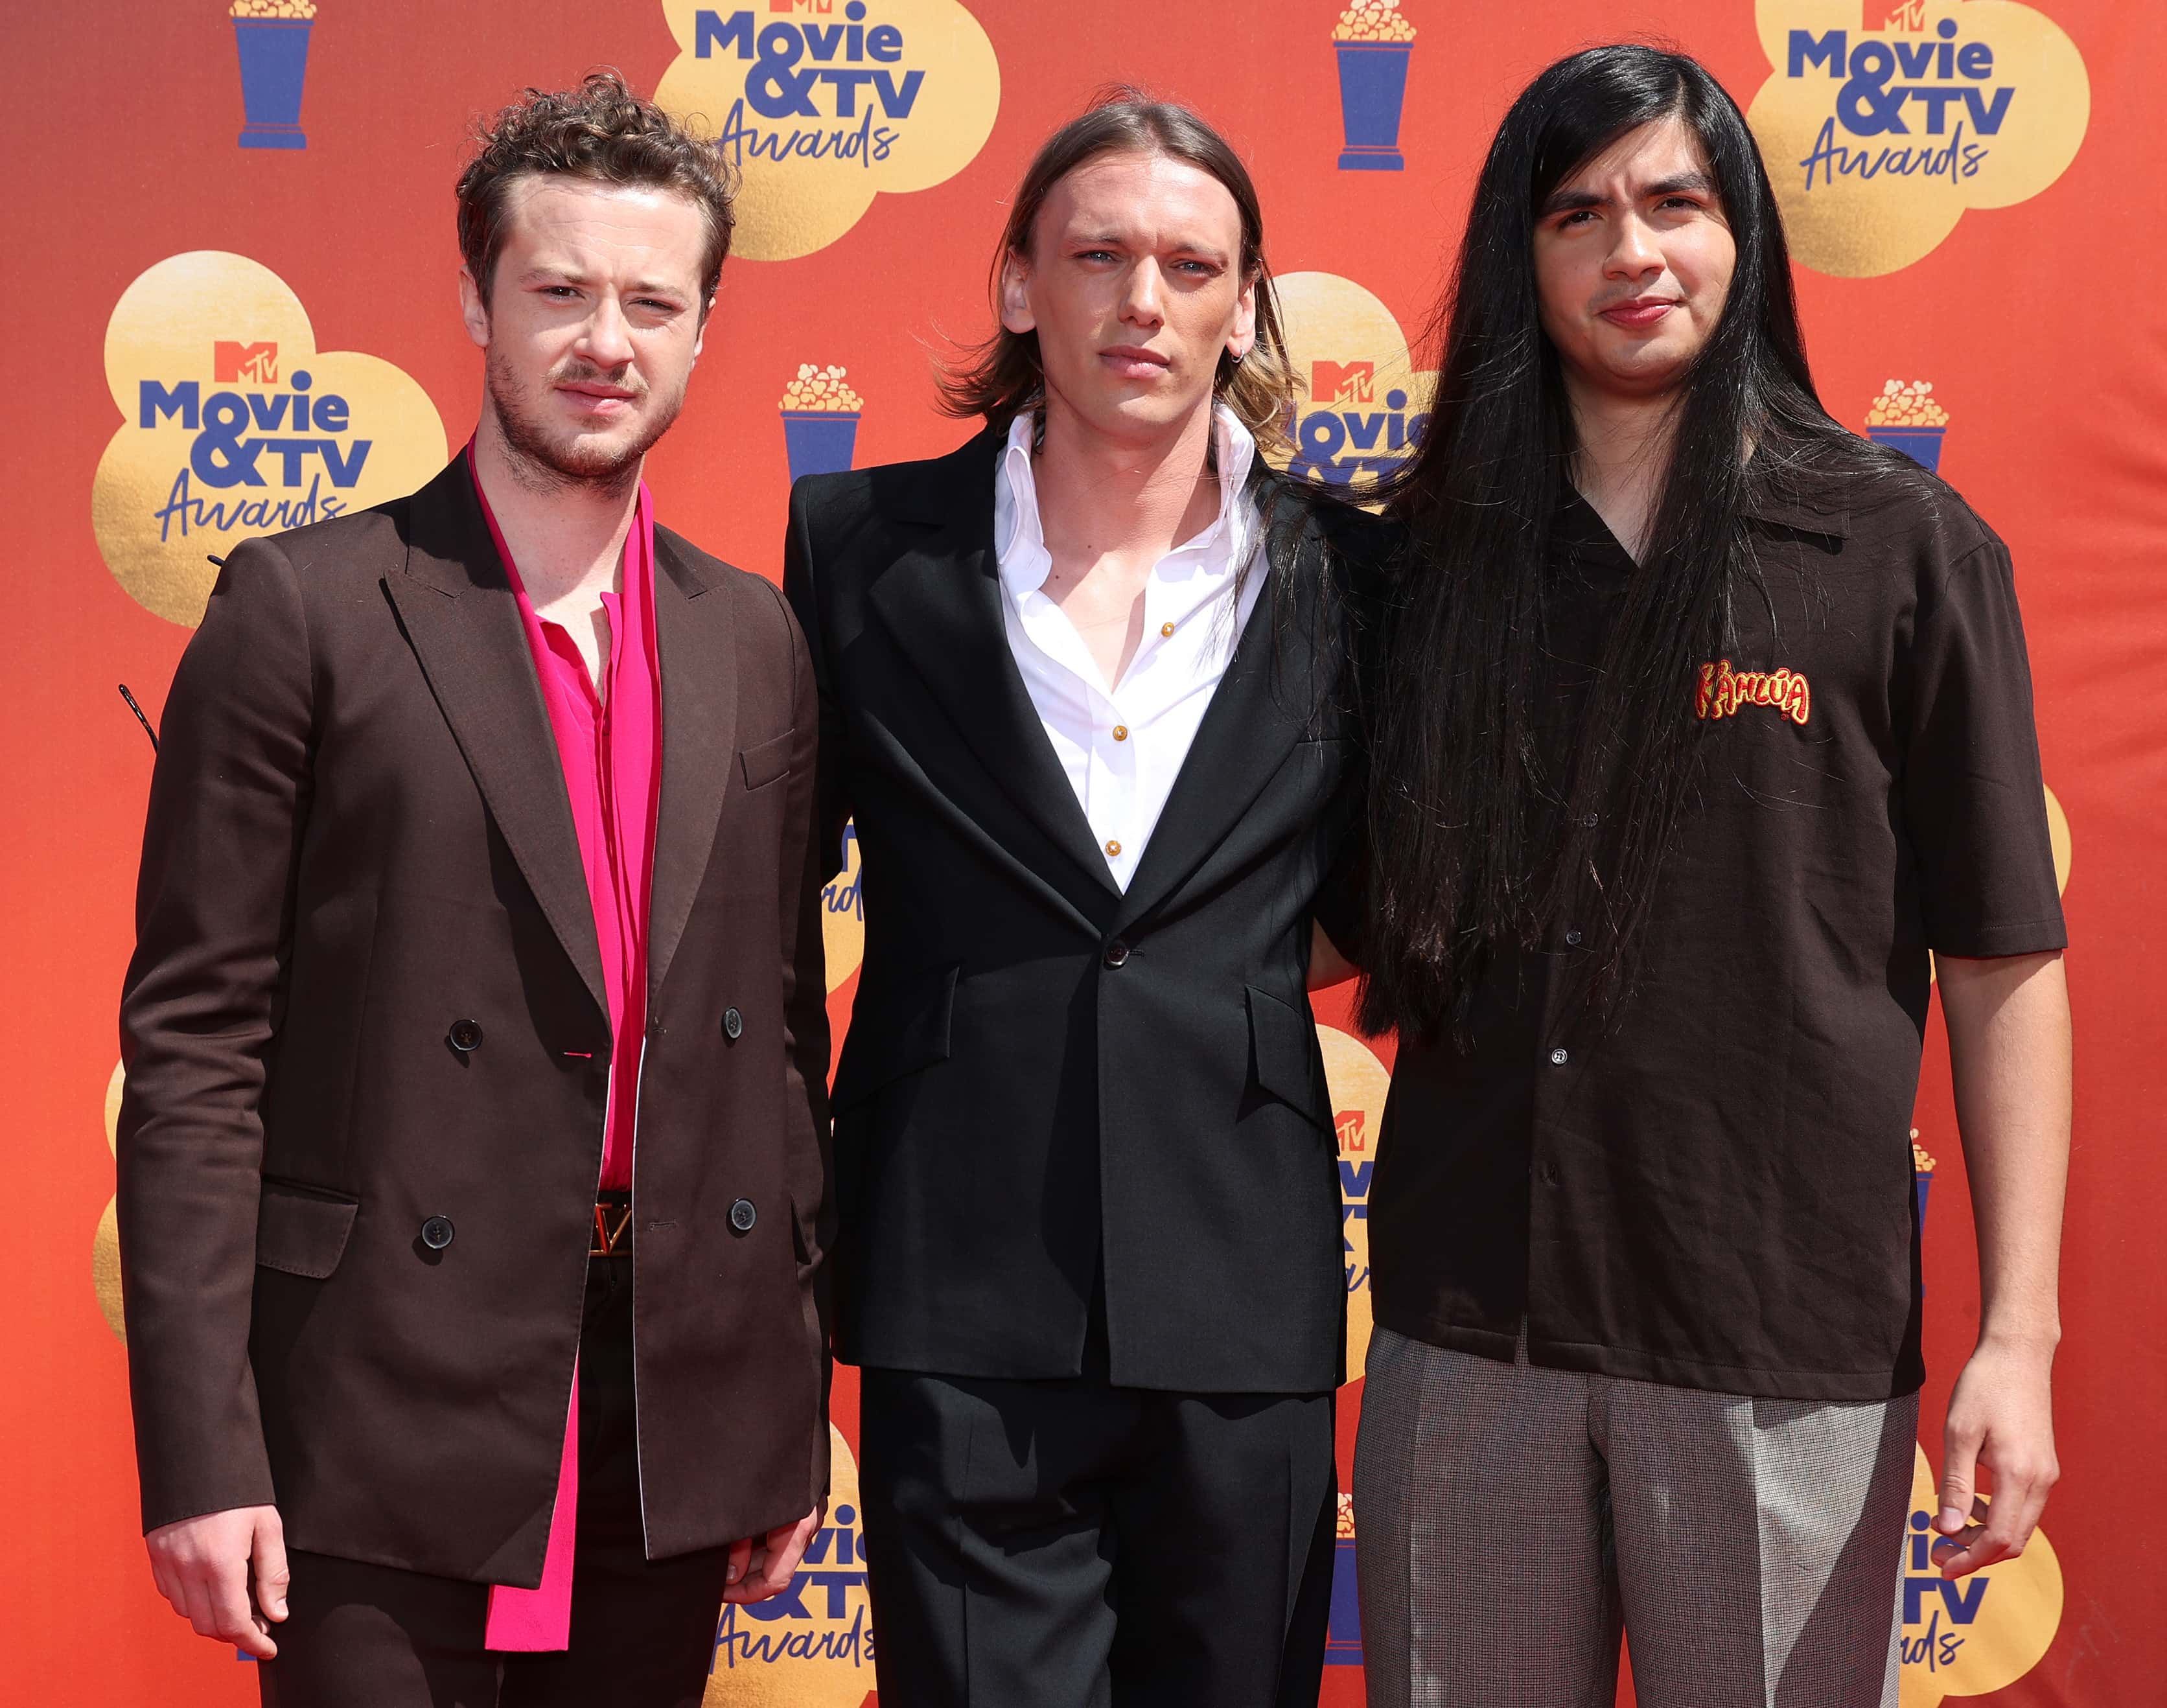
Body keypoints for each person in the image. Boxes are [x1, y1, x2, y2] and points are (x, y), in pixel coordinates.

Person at [1336, 45, 2072, 1708]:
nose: (1632, 251)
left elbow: (2004, 961)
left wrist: (2015, 1338)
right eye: (1577, 213)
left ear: (1743, 234)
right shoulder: (1425, 564)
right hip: (1469, 1328)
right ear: (1522, 256)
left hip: (1779, 1349)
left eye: (1675, 203)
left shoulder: (1897, 548)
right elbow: (1333, 915)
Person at [117, 72, 832, 1707]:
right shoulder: (306, 607)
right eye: (560, 290)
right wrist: (202, 1451)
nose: (606, 341)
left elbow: (778, 1049)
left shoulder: (754, 639)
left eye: (653, 302)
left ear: (704, 328)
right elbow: (196, 1052)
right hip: (374, 1400)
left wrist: (773, 1409)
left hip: (664, 1411)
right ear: (475, 301)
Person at [784, 91, 1370, 1708]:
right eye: (1099, 254)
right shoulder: (856, 547)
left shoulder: (1355, 577)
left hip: (1242, 1291)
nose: (1143, 300)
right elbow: (769, 915)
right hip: (954, 1282)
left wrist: (1214, 986)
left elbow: (1388, 904)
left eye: (1192, 265)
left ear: (1244, 306)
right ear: (1018, 282)